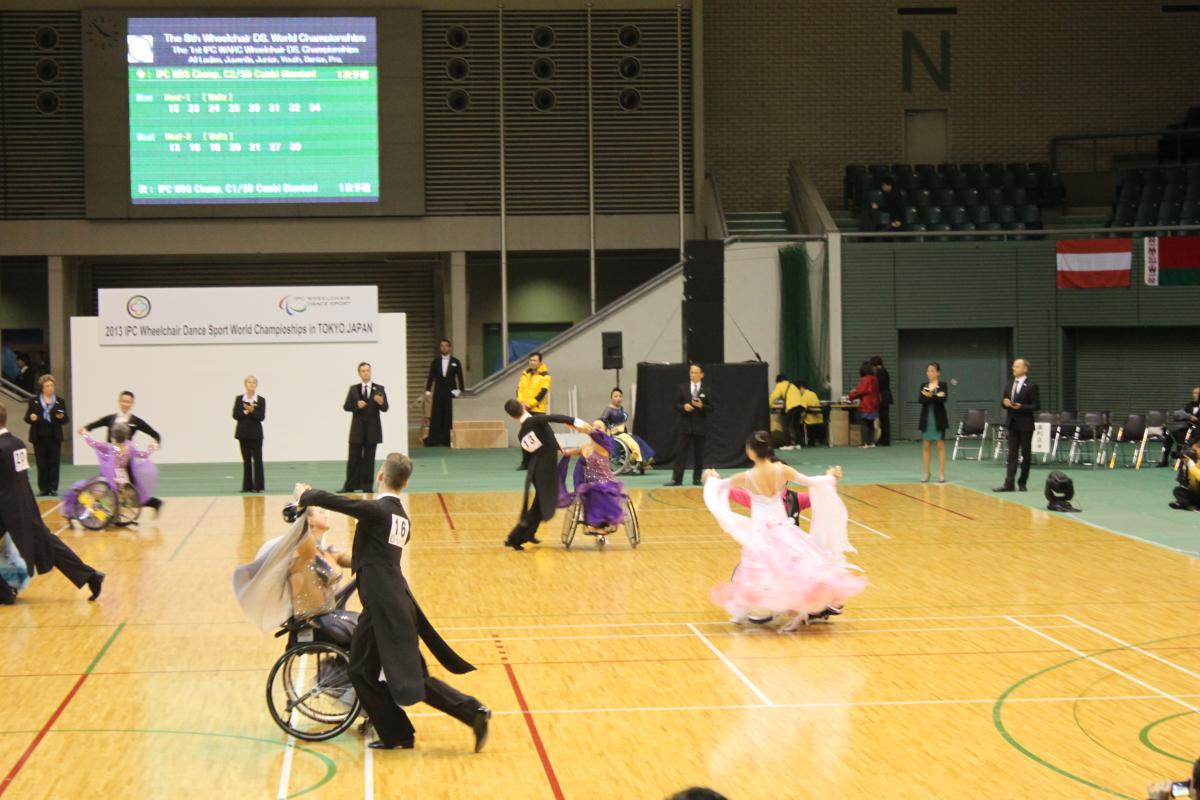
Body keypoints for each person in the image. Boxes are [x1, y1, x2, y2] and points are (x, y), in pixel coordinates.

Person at [293, 453, 491, 752]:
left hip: (387, 605)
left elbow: (343, 503)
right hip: (385, 603)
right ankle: (397, 733)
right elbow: (376, 556)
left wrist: (306, 495)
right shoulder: (401, 519)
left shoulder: (380, 510)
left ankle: (469, 712)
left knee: (405, 677)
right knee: (363, 670)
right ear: (407, 482)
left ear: (380, 475)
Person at [702, 432, 865, 632]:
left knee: (767, 573)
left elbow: (721, 487)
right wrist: (830, 477)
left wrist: (712, 478)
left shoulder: (746, 477)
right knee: (793, 573)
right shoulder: (782, 471)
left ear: (751, 452)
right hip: (783, 530)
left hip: (762, 534)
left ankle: (774, 612)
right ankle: (790, 614)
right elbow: (813, 482)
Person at [0, 402, 104, 602]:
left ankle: (6, 593)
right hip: (24, 504)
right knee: (48, 543)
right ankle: (90, 576)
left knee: (47, 543)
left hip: (8, 509)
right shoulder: (17, 443)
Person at [503, 398, 588, 550]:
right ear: (523, 406)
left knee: (539, 505)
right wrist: (577, 422)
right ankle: (514, 538)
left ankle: (525, 534)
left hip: (537, 471)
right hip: (545, 471)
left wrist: (555, 445)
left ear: (512, 417)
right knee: (540, 506)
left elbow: (540, 441)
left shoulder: (522, 433)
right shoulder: (536, 420)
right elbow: (556, 418)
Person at [65, 424, 160, 523]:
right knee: (113, 498)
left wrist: (85, 434)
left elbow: (92, 443)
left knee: (86, 491)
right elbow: (143, 455)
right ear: (127, 436)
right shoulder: (129, 448)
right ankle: (110, 514)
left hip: (110, 477)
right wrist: (151, 449)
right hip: (123, 479)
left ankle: (92, 514)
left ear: (112, 436)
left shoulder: (110, 447)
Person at [559, 421, 626, 536]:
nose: (596, 428)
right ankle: (595, 524)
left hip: (606, 483)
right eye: (594, 425)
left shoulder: (603, 447)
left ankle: (602, 523)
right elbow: (567, 452)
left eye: (599, 427)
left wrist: (578, 426)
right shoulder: (585, 447)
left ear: (605, 432)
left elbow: (590, 431)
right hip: (590, 483)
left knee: (597, 492)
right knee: (587, 492)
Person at [342, 362, 388, 493]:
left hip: (372, 431)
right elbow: (346, 406)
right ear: (359, 373)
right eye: (363, 371)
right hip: (357, 430)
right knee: (353, 459)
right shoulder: (353, 389)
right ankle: (349, 486)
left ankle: (367, 487)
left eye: (368, 370)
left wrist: (381, 402)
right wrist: (357, 404)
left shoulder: (379, 389)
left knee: (369, 460)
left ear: (371, 372)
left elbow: (385, 408)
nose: (366, 373)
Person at [666, 363, 714, 486]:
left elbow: (712, 408)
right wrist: (683, 407)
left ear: (701, 375)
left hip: (700, 426)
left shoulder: (707, 390)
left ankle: (696, 478)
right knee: (681, 453)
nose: (692, 375)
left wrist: (702, 406)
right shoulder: (682, 388)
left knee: (699, 454)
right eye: (691, 372)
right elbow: (675, 404)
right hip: (685, 425)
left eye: (695, 372)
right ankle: (676, 479)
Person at [995, 358, 1039, 492]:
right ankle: (1009, 483)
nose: (1014, 369)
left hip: (1026, 424)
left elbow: (1036, 405)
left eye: (1017, 367)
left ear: (1025, 369)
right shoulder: (1009, 384)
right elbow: (1003, 402)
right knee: (1011, 454)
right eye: (1014, 366)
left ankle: (1022, 482)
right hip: (1012, 424)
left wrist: (1021, 407)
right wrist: (1005, 403)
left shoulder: (1031, 385)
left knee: (1025, 454)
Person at [26, 374, 68, 496]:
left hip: (54, 437)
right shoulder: (34, 401)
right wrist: (31, 417)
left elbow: (66, 419)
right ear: (42, 388)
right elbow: (27, 418)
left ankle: (53, 488)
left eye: (52, 385)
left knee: (54, 463)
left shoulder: (59, 401)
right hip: (39, 438)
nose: (50, 388)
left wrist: (61, 417)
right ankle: (43, 488)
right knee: (41, 463)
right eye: (47, 386)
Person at [599, 387, 655, 471]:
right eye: (616, 396)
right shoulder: (608, 409)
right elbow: (602, 422)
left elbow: (622, 424)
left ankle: (645, 459)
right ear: (612, 398)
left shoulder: (621, 408)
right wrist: (607, 432)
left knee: (637, 438)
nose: (618, 398)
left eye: (620, 396)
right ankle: (637, 459)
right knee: (628, 440)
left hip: (622, 433)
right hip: (613, 434)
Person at [424, 339, 465, 448]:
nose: (444, 348)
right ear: (440, 348)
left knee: (448, 415)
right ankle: (435, 439)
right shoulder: (435, 362)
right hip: (438, 392)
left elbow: (460, 377)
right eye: (442, 346)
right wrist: (428, 390)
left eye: (446, 346)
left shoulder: (456, 362)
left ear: (450, 348)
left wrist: (460, 390)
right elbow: (431, 377)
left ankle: (447, 440)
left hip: (450, 392)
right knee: (437, 414)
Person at [83, 390, 162, 445]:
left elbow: (155, 434)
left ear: (132, 403)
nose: (125, 404)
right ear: (119, 401)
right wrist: (85, 428)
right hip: (111, 457)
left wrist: (155, 442)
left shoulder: (136, 421)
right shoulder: (110, 418)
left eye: (128, 402)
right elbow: (95, 424)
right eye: (123, 401)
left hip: (128, 457)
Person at [515, 352, 552, 469]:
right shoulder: (524, 375)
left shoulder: (546, 377)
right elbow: (519, 390)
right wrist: (521, 403)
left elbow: (542, 394)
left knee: (539, 437)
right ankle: (526, 462)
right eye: (530, 360)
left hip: (538, 411)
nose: (532, 362)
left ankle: (542, 461)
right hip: (525, 410)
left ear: (540, 362)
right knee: (523, 435)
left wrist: (529, 404)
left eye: (535, 360)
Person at [232, 376, 266, 493]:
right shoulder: (239, 399)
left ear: (256, 385)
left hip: (256, 434)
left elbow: (261, 417)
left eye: (253, 382)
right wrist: (246, 410)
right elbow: (236, 415)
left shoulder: (261, 400)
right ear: (245, 384)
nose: (251, 384)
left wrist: (253, 411)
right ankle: (247, 486)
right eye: (249, 382)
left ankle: (258, 486)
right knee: (246, 460)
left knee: (257, 460)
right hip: (243, 434)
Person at [918, 362, 949, 483]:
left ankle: (941, 474)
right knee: (926, 446)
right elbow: (921, 400)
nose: (929, 373)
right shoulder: (923, 385)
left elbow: (943, 399)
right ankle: (926, 473)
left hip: (939, 419)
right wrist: (934, 396)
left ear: (938, 373)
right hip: (926, 419)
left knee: (940, 446)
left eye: (932, 370)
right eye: (928, 371)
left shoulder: (943, 385)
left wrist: (931, 395)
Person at [1160, 386, 1200, 467]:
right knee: (1170, 435)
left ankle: (1180, 461)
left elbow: (1196, 419)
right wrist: (1185, 416)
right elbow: (1182, 414)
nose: (1195, 394)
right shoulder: (1190, 404)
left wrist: (1193, 418)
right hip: (1186, 427)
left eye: (1197, 393)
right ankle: (1165, 460)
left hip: (1196, 428)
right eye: (1194, 393)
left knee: (1181, 436)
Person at [846, 362, 880, 449]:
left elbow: (860, 391)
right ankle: (871, 442)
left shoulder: (865, 379)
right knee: (871, 424)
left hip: (866, 404)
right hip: (875, 404)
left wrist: (850, 396)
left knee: (864, 424)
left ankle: (864, 443)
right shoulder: (875, 379)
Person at [1169, 441, 1200, 511]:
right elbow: (1184, 482)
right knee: (1178, 490)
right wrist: (1185, 466)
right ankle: (1188, 504)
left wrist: (1192, 467)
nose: (1193, 453)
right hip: (1196, 493)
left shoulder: (1193, 464)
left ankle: (1184, 504)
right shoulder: (1193, 461)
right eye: (1193, 450)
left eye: (1195, 451)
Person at [870, 356, 893, 446]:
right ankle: (884, 439)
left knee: (884, 419)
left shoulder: (880, 372)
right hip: (886, 396)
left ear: (875, 364)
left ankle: (885, 440)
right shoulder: (884, 371)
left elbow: (879, 386)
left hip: (883, 397)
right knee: (884, 419)